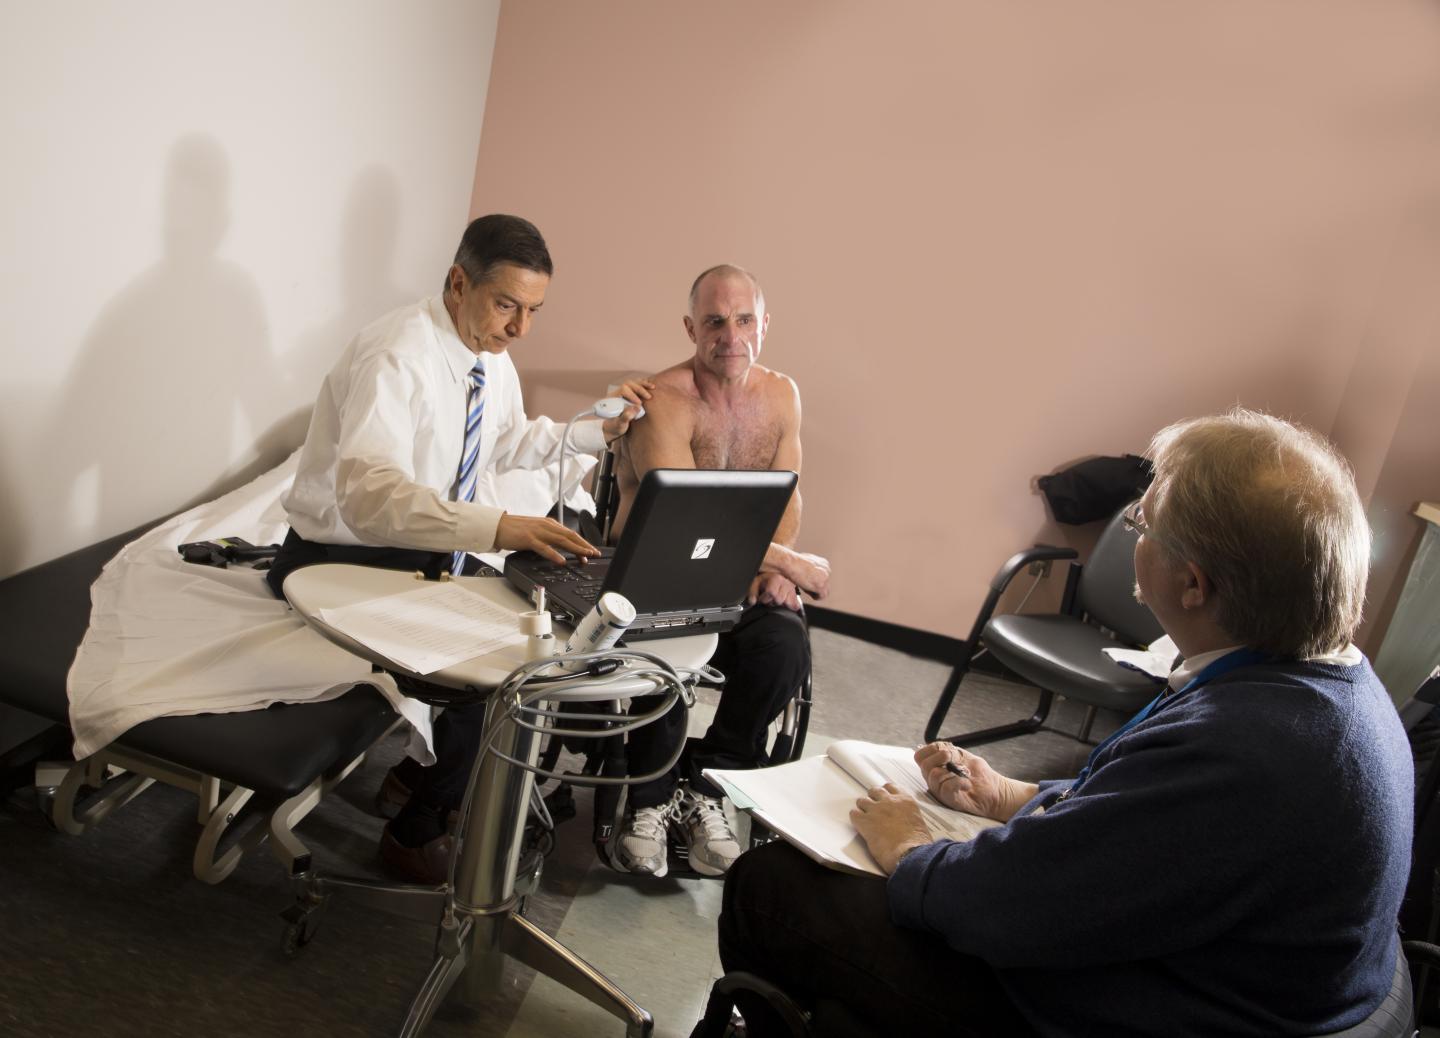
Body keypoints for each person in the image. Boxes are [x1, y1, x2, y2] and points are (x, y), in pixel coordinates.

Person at [697, 409, 1413, 1036]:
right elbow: (1148, 835)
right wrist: (1011, 797)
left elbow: (1005, 909)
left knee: (771, 886)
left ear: (1194, 584)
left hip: (1157, 1010)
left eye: (1141, 522)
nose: (1134, 533)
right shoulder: (1314, 682)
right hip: (1220, 980)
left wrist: (913, 851)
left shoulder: (1248, 747)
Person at [266, 213, 650, 884]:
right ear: (457, 282)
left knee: (543, 621)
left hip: (413, 549)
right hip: (336, 558)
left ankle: (420, 777)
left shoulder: (484, 355)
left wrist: (597, 425)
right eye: (508, 305)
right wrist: (497, 527)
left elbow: (500, 441)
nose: (520, 328)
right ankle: (418, 827)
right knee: (496, 665)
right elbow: (369, 496)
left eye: (533, 310)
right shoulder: (397, 354)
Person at [609, 264, 832, 878]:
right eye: (714, 321)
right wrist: (791, 561)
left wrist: (777, 571)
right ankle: (649, 800)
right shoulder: (665, 400)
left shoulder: (781, 394)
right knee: (670, 641)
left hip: (740, 577)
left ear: (764, 325)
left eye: (743, 320)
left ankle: (711, 780)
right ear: (690, 327)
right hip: (660, 572)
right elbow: (683, 519)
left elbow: (785, 498)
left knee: (784, 644)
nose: (730, 336)